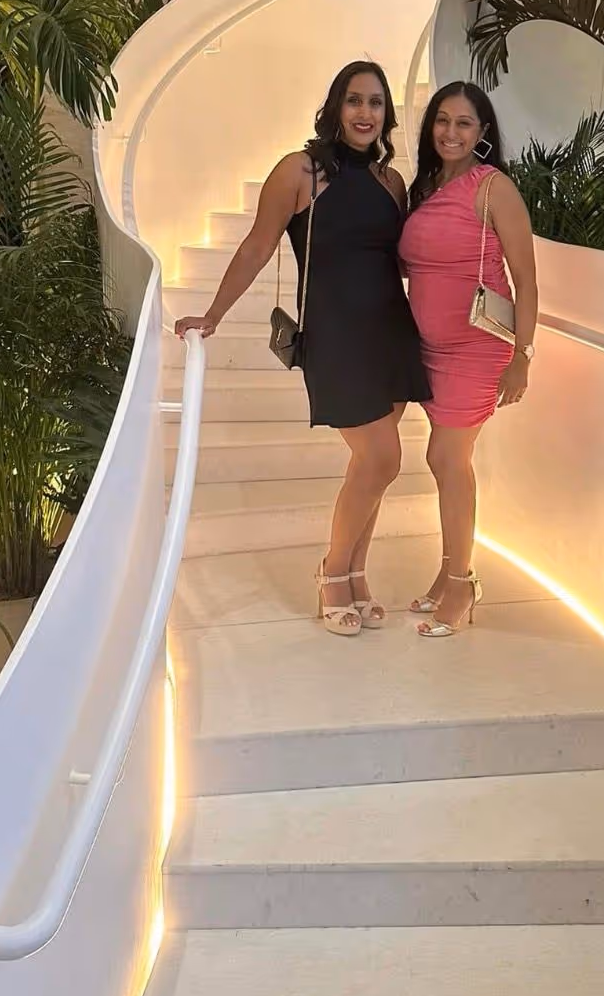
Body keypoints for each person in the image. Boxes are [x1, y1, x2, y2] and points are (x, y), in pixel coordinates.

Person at [174, 61, 431, 636]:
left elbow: (404, 261)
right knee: (382, 458)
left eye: (376, 103)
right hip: (337, 334)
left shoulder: (392, 183)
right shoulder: (299, 171)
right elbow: (257, 246)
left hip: (391, 329)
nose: (366, 113)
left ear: (387, 115)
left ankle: (357, 576)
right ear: (335, 108)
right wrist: (213, 314)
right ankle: (332, 573)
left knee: (376, 466)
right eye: (355, 101)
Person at [400, 82, 538, 637]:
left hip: (476, 347)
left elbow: (526, 280)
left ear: (483, 134)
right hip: (427, 347)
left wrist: (523, 356)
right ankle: (447, 571)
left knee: (448, 458)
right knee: (442, 461)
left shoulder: (493, 188)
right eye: (442, 121)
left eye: (464, 123)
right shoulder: (426, 186)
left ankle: (462, 583)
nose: (450, 132)